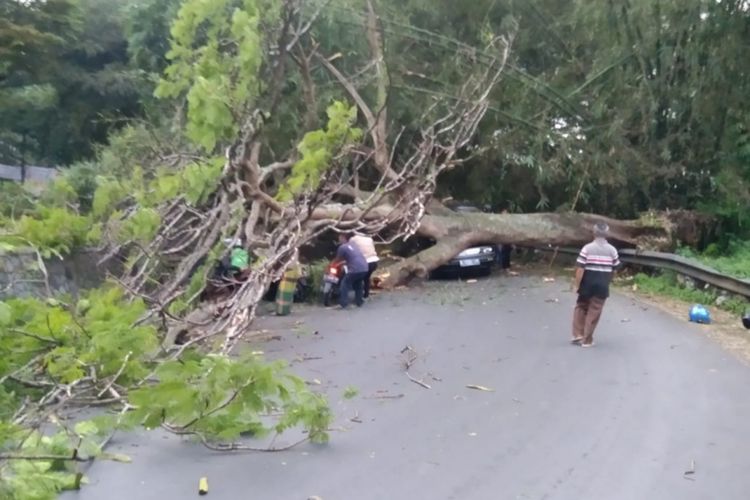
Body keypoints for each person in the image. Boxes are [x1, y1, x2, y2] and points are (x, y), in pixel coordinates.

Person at [571, 222, 620, 347]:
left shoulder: (587, 248)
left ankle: (578, 334)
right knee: (595, 310)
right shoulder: (612, 250)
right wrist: (608, 281)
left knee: (581, 306)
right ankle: (587, 340)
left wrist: (577, 284)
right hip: (602, 285)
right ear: (607, 234)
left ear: (593, 233)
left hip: (587, 283)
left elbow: (580, 269)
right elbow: (615, 269)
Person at [333, 233, 369, 308]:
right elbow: (353, 257)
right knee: (358, 284)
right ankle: (359, 302)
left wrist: (332, 264)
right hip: (364, 267)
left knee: (344, 284)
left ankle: (343, 303)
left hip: (355, 269)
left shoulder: (342, 247)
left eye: (340, 238)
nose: (339, 240)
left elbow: (338, 259)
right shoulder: (354, 245)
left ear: (343, 238)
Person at [350, 233, 379, 298]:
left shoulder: (353, 239)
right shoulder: (369, 239)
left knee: (358, 278)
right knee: (366, 278)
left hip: (363, 262)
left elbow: (349, 248)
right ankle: (366, 294)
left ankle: (359, 297)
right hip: (373, 261)